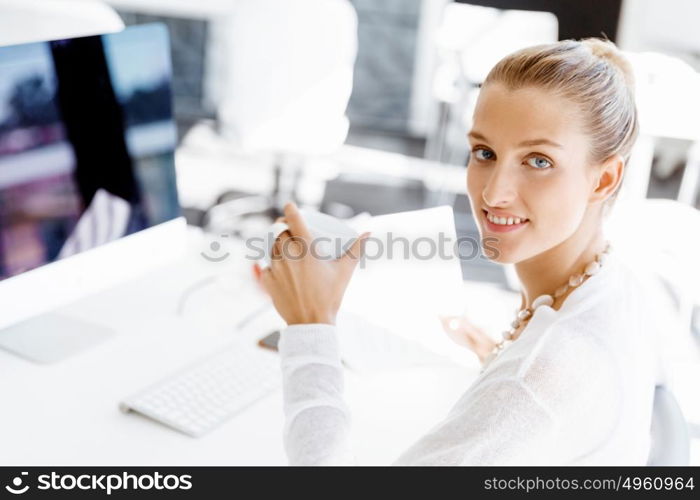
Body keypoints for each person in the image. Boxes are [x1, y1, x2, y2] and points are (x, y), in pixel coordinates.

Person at [255, 38, 665, 465]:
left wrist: (310, 325)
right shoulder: (616, 283)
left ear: (603, 180)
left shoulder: (539, 380)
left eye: (538, 161)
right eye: (484, 153)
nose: (493, 192)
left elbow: (541, 390)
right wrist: (498, 357)